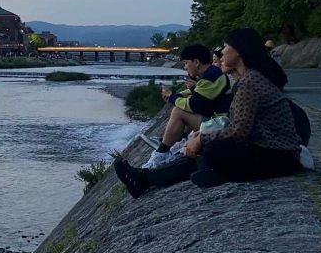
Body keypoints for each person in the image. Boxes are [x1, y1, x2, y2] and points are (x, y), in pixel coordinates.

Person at [114, 28, 300, 197]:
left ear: (239, 51)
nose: (221, 52)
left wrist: (203, 138)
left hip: (279, 157)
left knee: (212, 147)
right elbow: (238, 126)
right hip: (274, 153)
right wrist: (204, 135)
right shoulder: (249, 79)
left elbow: (239, 132)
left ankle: (216, 173)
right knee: (210, 146)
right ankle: (146, 178)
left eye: (226, 46)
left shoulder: (250, 84)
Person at [145, 44, 233, 167]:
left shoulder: (211, 77)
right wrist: (176, 96)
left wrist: (172, 97)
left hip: (220, 123)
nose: (185, 67)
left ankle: (161, 154)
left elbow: (194, 105)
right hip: (217, 120)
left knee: (178, 111)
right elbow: (197, 94)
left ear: (196, 62)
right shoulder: (210, 74)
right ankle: (178, 142)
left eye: (186, 63)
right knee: (181, 106)